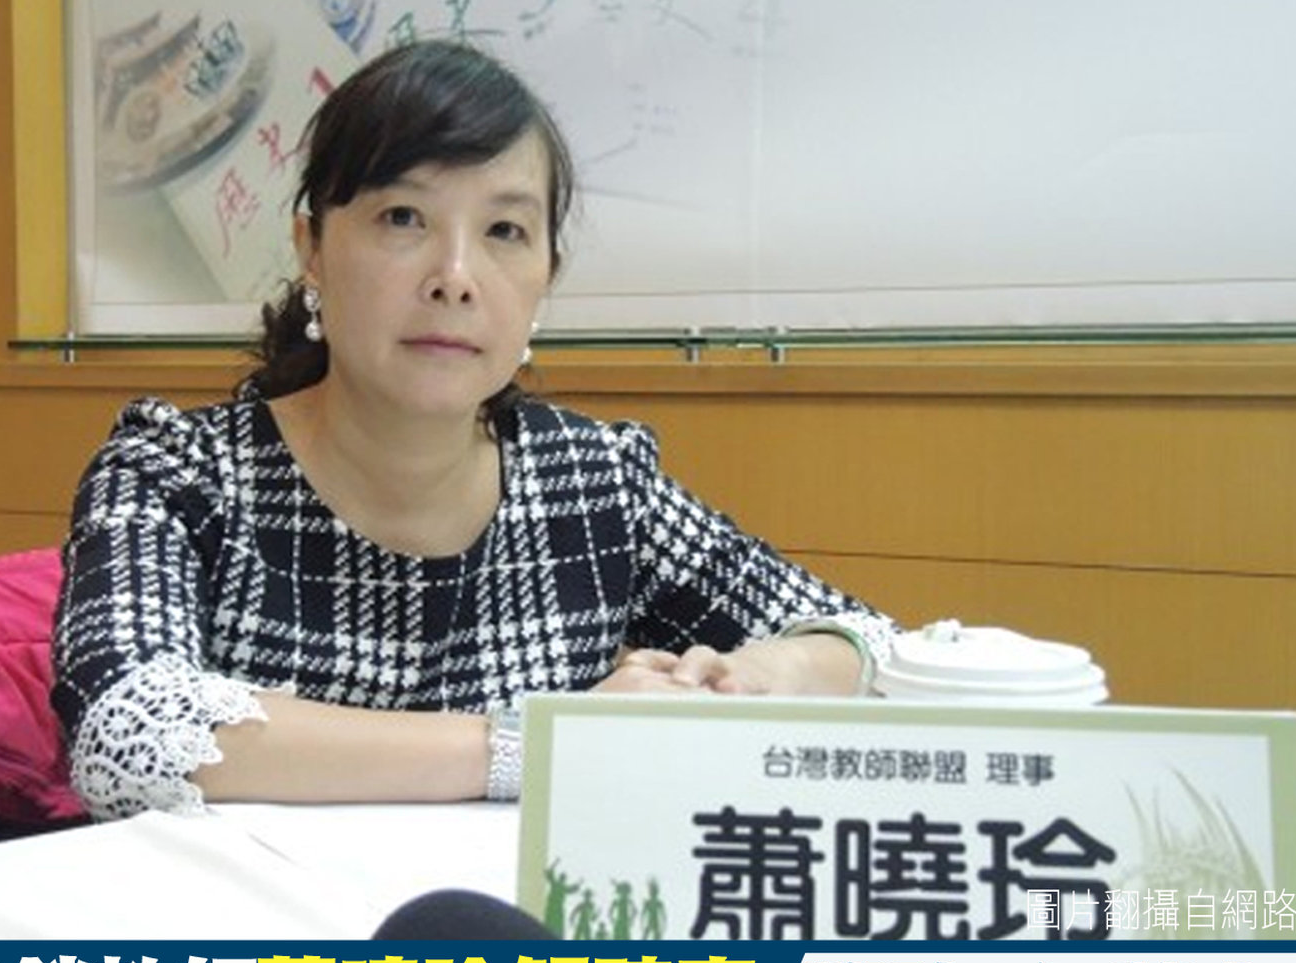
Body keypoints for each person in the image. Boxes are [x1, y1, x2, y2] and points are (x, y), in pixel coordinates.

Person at [51, 40, 895, 822]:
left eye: (504, 232)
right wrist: (542, 744)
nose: (455, 277)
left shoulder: (593, 483)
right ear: (312, 247)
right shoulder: (178, 471)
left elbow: (876, 649)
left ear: (546, 276)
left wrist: (762, 672)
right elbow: (130, 730)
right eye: (403, 218)